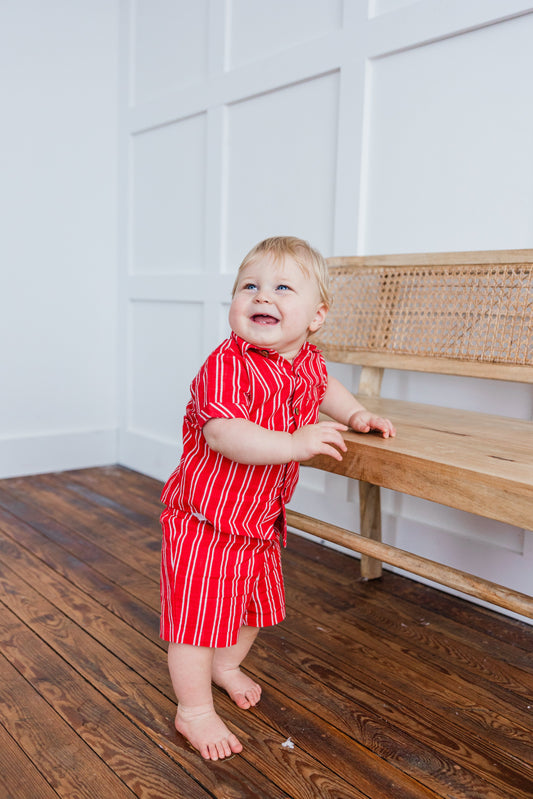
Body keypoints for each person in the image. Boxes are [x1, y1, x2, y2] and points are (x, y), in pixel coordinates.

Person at [160, 236, 395, 761]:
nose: (262, 296)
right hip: (205, 521)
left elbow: (326, 388)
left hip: (260, 521)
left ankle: (224, 667)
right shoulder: (226, 365)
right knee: (197, 622)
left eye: (282, 287)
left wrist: (355, 415)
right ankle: (193, 710)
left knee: (251, 610)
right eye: (250, 286)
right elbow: (223, 434)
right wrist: (294, 443)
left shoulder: (307, 361)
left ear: (316, 316)